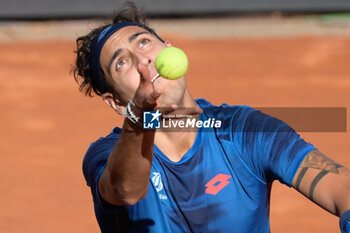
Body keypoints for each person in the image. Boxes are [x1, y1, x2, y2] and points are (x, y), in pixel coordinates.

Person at [73, 2, 350, 232]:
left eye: (144, 43)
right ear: (117, 103)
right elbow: (126, 191)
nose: (141, 60)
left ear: (169, 49)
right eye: (121, 63)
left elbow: (339, 185)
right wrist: (139, 117)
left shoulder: (243, 131)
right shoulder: (105, 156)